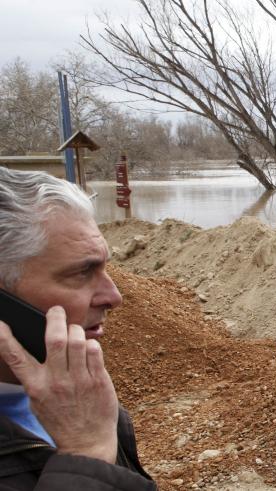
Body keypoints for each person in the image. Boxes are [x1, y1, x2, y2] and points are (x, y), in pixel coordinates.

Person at [0, 167, 155, 489]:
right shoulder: (83, 417)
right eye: (82, 272)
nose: (115, 297)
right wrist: (86, 456)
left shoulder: (75, 395)